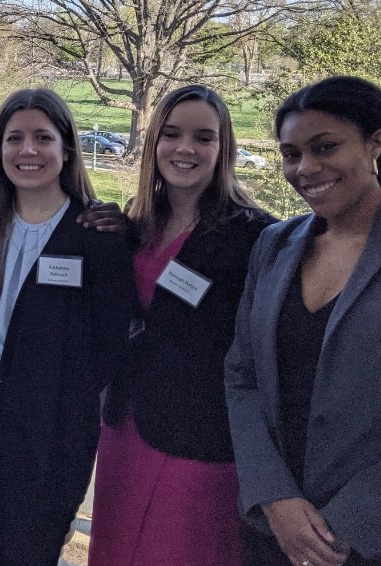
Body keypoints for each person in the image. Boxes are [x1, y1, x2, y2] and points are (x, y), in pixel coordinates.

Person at [0, 88, 133, 566]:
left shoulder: (97, 238)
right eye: (14, 138)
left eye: (43, 137)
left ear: (66, 149)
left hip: (49, 433)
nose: (28, 151)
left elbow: (107, 349)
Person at [226, 75, 381, 566]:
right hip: (273, 535)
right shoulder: (274, 246)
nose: (305, 168)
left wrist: (347, 524)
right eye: (292, 154)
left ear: (376, 142)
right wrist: (275, 499)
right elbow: (242, 377)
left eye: (325, 147)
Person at [88, 84, 276, 565]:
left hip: (198, 441)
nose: (185, 148)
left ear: (224, 147)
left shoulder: (255, 235)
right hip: (124, 427)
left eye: (203, 137)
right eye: (171, 134)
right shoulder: (140, 222)